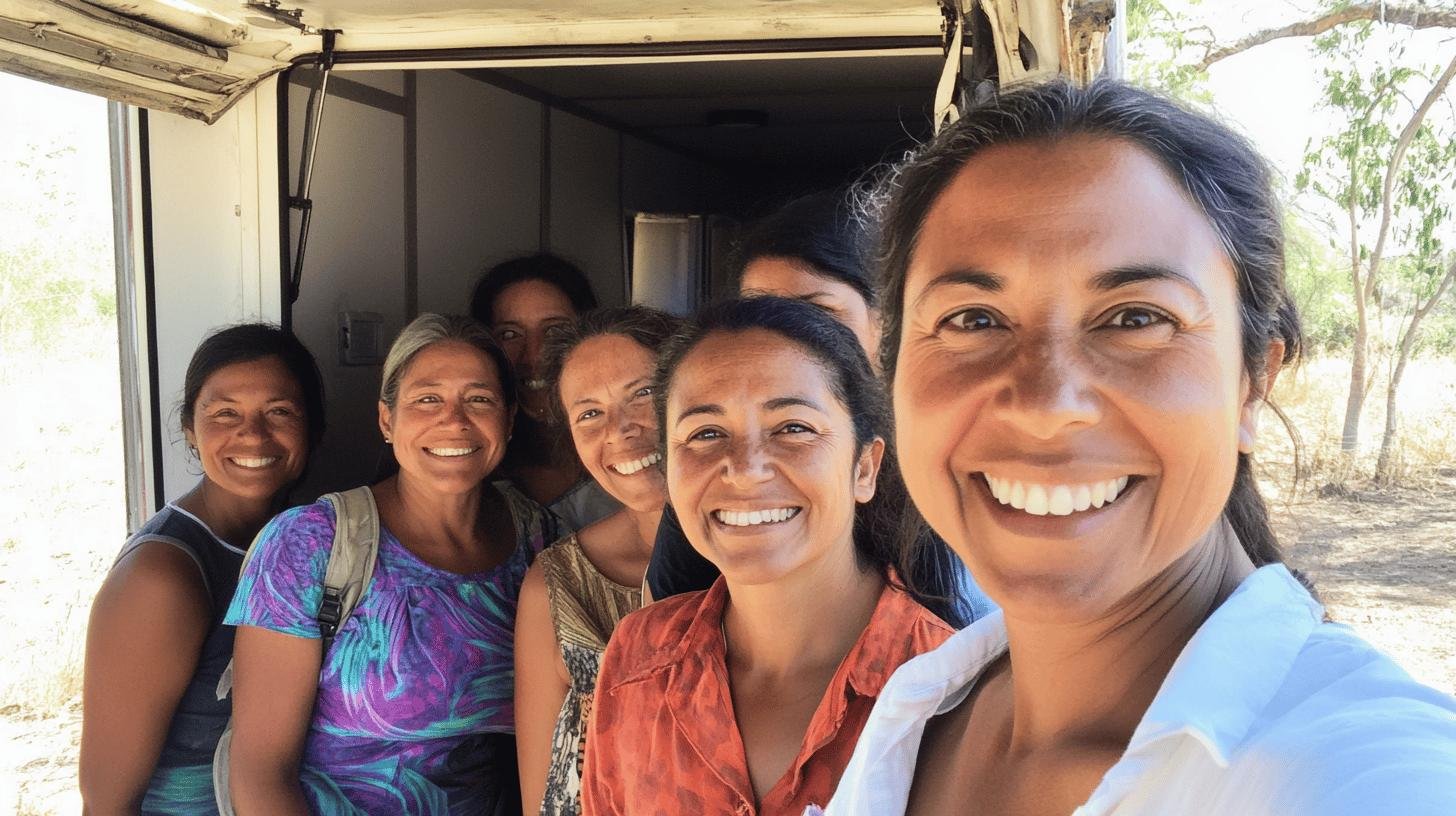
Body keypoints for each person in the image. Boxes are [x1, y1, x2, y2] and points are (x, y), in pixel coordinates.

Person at [822, 80, 1456, 816]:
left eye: (1134, 317)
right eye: (973, 320)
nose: (1045, 406)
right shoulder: (920, 711)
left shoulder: (1369, 774)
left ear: (1252, 383)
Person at [581, 297, 955, 815]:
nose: (745, 468)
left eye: (793, 428)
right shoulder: (638, 659)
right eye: (706, 434)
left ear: (864, 468)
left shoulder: (952, 695)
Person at [224, 314, 550, 815]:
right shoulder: (310, 545)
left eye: (479, 399)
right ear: (386, 419)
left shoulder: (539, 541)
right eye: (427, 399)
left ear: (507, 420)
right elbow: (260, 771)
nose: (455, 421)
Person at [645, 192, 993, 627]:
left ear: (884, 321)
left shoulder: (957, 447)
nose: (781, 342)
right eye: (759, 311)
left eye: (817, 314)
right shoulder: (714, 476)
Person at [80, 324, 326, 815]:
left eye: (279, 411)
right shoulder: (163, 577)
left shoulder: (313, 544)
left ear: (313, 427)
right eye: (224, 413)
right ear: (190, 428)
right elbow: (106, 802)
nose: (253, 435)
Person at [514, 306, 684, 815]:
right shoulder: (558, 581)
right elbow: (539, 794)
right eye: (589, 413)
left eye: (645, 394)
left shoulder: (771, 555)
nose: (621, 430)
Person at [470, 254, 619, 538]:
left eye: (554, 330)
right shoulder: (466, 452)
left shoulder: (632, 445)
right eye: (510, 334)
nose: (535, 354)